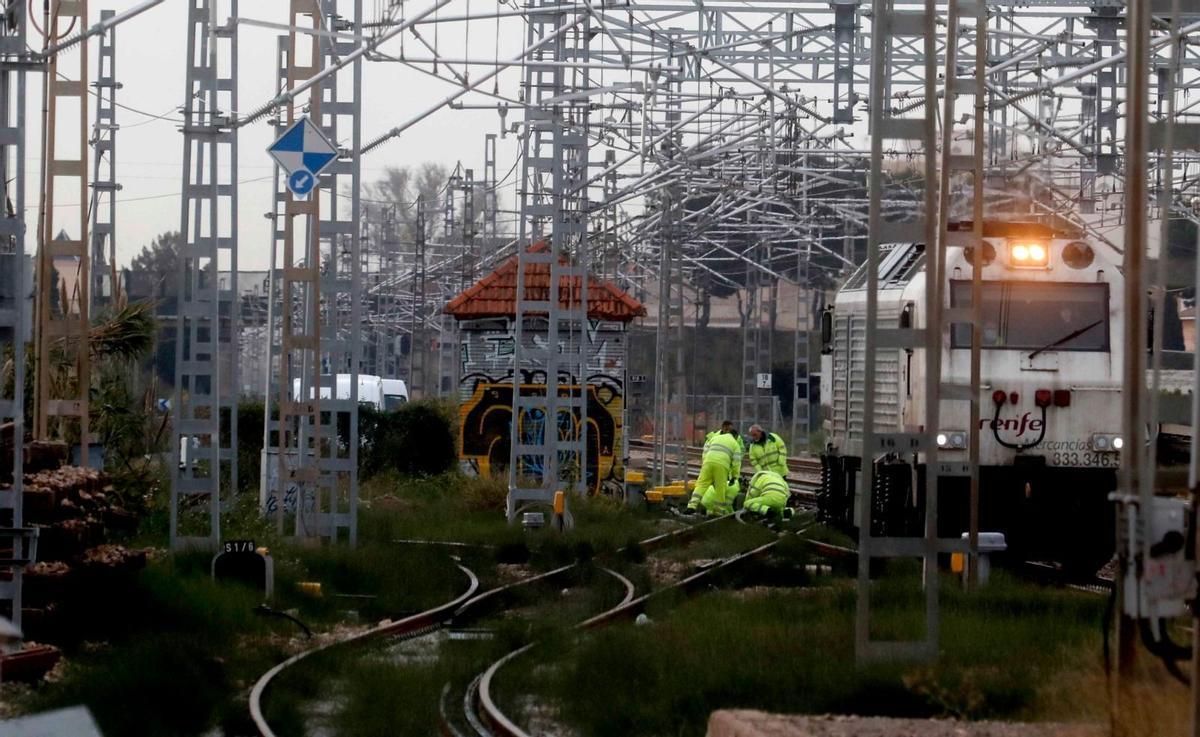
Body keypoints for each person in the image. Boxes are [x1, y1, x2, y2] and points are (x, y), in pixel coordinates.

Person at [686, 422, 741, 516]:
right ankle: (719, 511)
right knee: (720, 488)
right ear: (735, 436)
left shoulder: (715, 437)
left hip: (707, 462)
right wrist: (734, 477)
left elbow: (705, 451)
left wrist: (705, 463)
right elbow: (736, 463)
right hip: (721, 466)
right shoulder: (735, 444)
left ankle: (691, 506)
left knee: (701, 484)